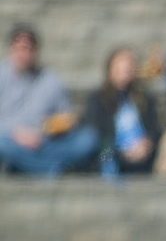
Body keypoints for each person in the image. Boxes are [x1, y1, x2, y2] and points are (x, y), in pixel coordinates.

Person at [0, 24, 99, 176]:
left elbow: (67, 116)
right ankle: (52, 170)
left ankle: (30, 167)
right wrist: (16, 133)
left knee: (88, 139)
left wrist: (54, 127)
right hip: (11, 139)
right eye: (20, 48)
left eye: (29, 48)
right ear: (10, 49)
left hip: (45, 141)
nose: (24, 53)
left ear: (36, 51)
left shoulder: (50, 79)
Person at [82, 47, 163, 176]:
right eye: (120, 69)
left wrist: (147, 144)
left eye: (128, 68)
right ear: (110, 70)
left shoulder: (144, 98)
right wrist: (123, 152)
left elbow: (155, 129)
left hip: (143, 154)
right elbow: (96, 135)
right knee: (106, 157)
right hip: (113, 155)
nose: (125, 73)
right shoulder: (98, 99)